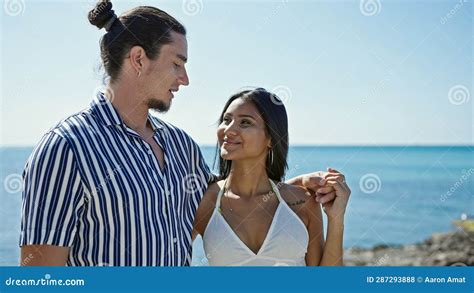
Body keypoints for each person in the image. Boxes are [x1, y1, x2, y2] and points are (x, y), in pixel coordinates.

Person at [20, 1, 337, 266]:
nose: (184, 79)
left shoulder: (180, 145)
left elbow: (233, 191)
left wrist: (292, 188)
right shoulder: (66, 148)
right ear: (139, 59)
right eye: (177, 64)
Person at [193, 89, 350, 266]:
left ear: (271, 138)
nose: (228, 130)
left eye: (245, 122)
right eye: (226, 120)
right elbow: (167, 255)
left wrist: (336, 219)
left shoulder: (302, 201)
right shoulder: (202, 201)